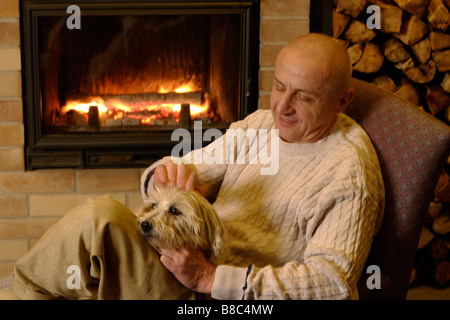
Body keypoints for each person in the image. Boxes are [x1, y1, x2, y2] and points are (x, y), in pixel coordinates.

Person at [9, 33, 384, 300]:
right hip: (183, 258)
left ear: (342, 100)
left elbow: (331, 283)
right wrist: (166, 173)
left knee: (99, 221)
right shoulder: (262, 125)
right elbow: (187, 167)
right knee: (88, 253)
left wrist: (211, 278)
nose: (281, 106)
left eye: (302, 97)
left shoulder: (348, 175)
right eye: (280, 86)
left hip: (215, 293)